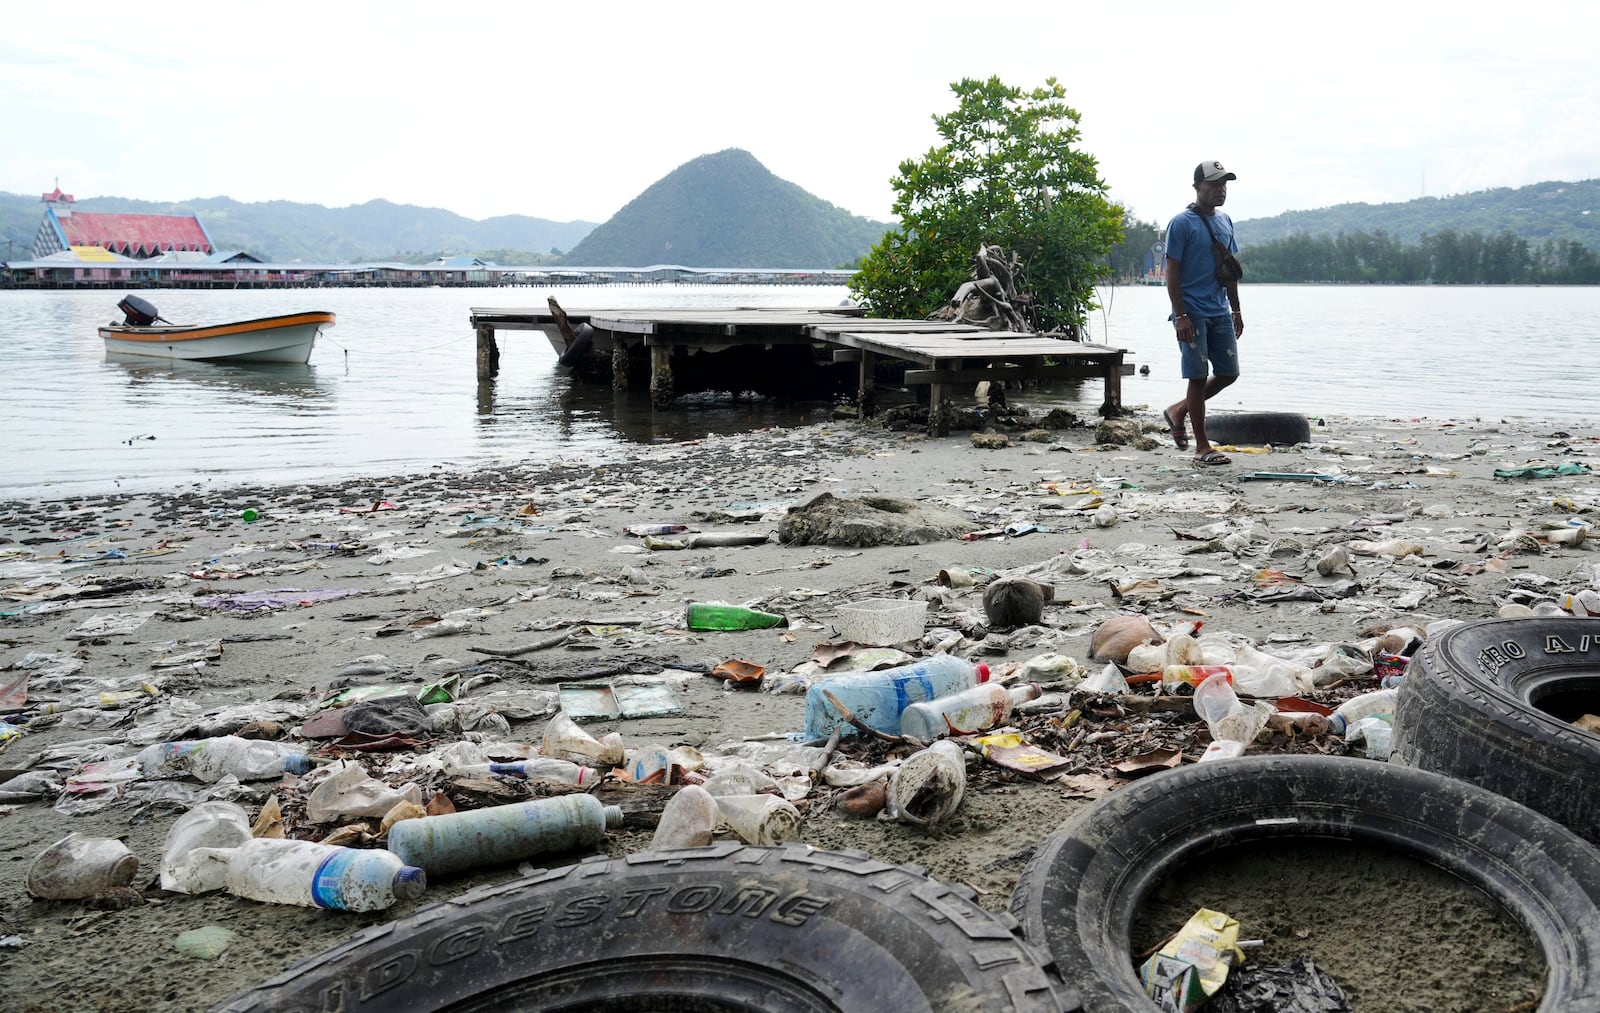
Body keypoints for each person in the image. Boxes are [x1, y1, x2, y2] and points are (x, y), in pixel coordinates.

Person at [1162, 160, 1243, 465]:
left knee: (1228, 373)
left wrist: (1236, 309)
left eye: (1224, 184)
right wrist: (1180, 314)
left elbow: (1229, 271)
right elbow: (1171, 272)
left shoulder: (1226, 222)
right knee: (1197, 376)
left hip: (1219, 309)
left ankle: (1179, 410)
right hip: (1191, 311)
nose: (1220, 190)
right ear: (1197, 187)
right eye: (1214, 184)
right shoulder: (1181, 223)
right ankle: (1201, 447)